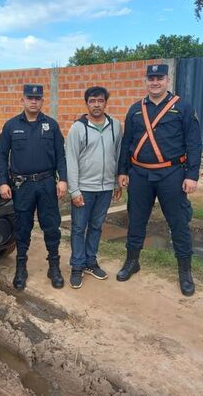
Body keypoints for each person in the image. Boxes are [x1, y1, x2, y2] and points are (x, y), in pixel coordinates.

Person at [116, 64, 201, 296]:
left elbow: (194, 143)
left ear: (167, 79)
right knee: (136, 220)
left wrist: (192, 175)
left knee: (178, 222)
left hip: (171, 175)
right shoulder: (135, 110)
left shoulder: (182, 107)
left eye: (159, 78)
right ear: (146, 81)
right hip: (140, 174)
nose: (155, 82)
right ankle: (132, 262)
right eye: (151, 78)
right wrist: (122, 171)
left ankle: (185, 272)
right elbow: (126, 143)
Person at [0, 84, 68, 290]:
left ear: (42, 101)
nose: (34, 101)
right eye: (30, 98)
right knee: (22, 227)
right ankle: (21, 267)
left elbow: (61, 155)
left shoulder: (51, 125)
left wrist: (63, 179)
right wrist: (3, 181)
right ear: (23, 100)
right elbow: (1, 155)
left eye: (37, 98)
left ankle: (53, 266)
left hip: (46, 183)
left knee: (51, 226)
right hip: (22, 185)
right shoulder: (11, 126)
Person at [66, 86, 122, 289]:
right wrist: (75, 190)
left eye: (100, 100)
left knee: (97, 226)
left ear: (106, 102)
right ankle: (77, 266)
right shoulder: (77, 128)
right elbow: (71, 160)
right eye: (92, 101)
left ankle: (90, 261)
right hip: (84, 189)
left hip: (106, 188)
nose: (96, 104)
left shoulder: (115, 125)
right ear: (87, 103)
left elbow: (117, 155)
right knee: (79, 228)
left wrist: (116, 182)